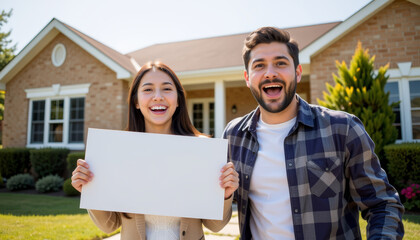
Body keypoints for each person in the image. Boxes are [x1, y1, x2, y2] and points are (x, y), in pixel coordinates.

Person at [223, 27, 404, 240]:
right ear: (247, 77)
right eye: (259, 65)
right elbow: (217, 208)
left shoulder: (343, 128)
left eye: (280, 63)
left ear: (298, 72)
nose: (270, 72)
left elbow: (383, 205)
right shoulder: (234, 135)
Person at [71, 61, 239, 240]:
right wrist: (89, 189)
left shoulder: (201, 150)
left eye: (167, 89)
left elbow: (215, 225)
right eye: (148, 89)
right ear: (136, 101)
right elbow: (108, 225)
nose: (158, 96)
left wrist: (225, 195)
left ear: (178, 100)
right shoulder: (119, 151)